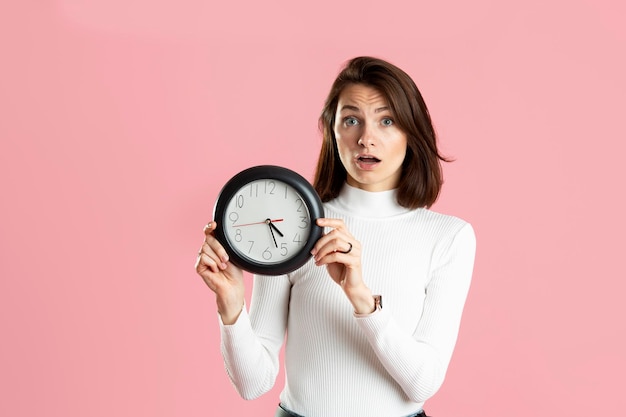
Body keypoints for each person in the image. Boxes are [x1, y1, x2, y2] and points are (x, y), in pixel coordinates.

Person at [195, 56, 476, 417]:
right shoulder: (299, 228)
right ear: (332, 130)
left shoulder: (448, 237)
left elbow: (422, 383)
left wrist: (360, 296)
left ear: (411, 131)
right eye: (351, 120)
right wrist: (231, 307)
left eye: (386, 120)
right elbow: (253, 384)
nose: (366, 138)